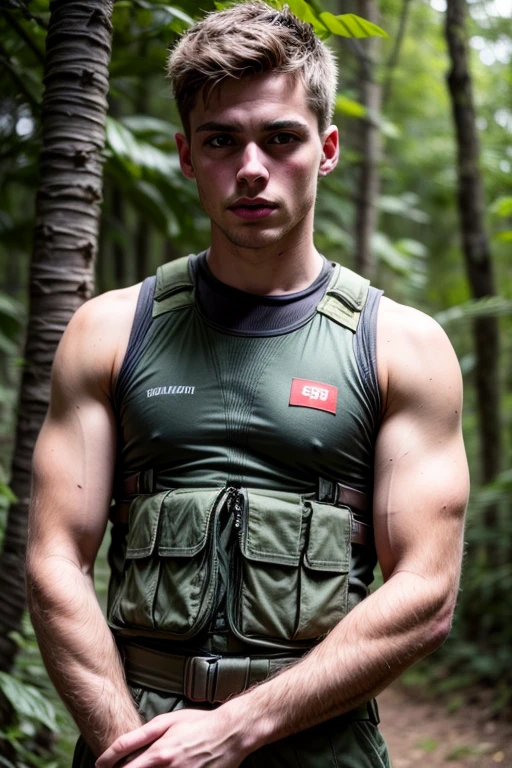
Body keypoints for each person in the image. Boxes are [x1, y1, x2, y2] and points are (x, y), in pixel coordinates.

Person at [26, 3, 469, 767]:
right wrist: (129, 747)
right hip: (135, 740)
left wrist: (237, 729)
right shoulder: (108, 332)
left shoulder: (402, 346)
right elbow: (54, 558)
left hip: (321, 744)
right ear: (186, 156)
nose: (253, 168)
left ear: (327, 149)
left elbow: (425, 591)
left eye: (282, 138)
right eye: (222, 141)